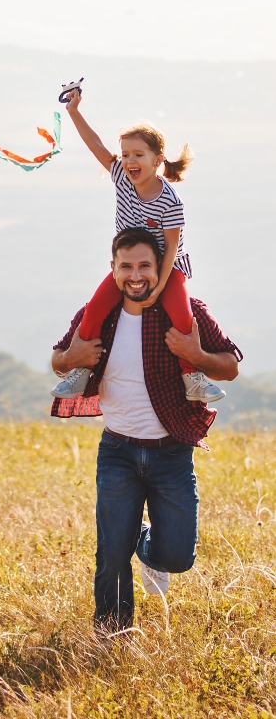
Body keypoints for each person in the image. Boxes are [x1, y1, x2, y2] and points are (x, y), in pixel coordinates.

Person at [50, 227, 242, 632]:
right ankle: (112, 636)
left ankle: (148, 546)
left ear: (161, 269)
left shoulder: (186, 310)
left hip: (171, 452)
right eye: (126, 267)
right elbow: (58, 359)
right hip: (116, 450)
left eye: (144, 267)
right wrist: (72, 356)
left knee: (177, 556)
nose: (135, 275)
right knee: (111, 553)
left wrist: (196, 354)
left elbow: (230, 365)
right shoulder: (98, 314)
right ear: (113, 269)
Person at [50, 89, 225, 404]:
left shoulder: (170, 201)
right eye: (126, 154)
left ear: (158, 160)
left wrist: (159, 287)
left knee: (182, 316)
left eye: (138, 155)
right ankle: (81, 371)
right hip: (129, 265)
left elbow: (172, 247)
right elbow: (95, 145)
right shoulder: (120, 176)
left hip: (167, 267)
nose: (129, 161)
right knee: (94, 309)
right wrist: (74, 111)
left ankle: (192, 376)